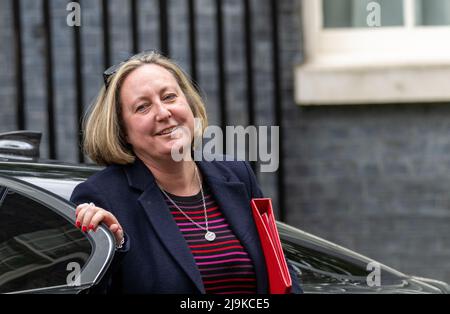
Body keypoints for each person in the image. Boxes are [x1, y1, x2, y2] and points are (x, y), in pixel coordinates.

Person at [70, 50, 302, 294]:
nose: (163, 113)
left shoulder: (236, 174)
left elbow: (281, 269)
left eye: (169, 97)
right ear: (123, 130)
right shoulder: (101, 197)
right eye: (143, 107)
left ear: (189, 104)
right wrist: (115, 247)